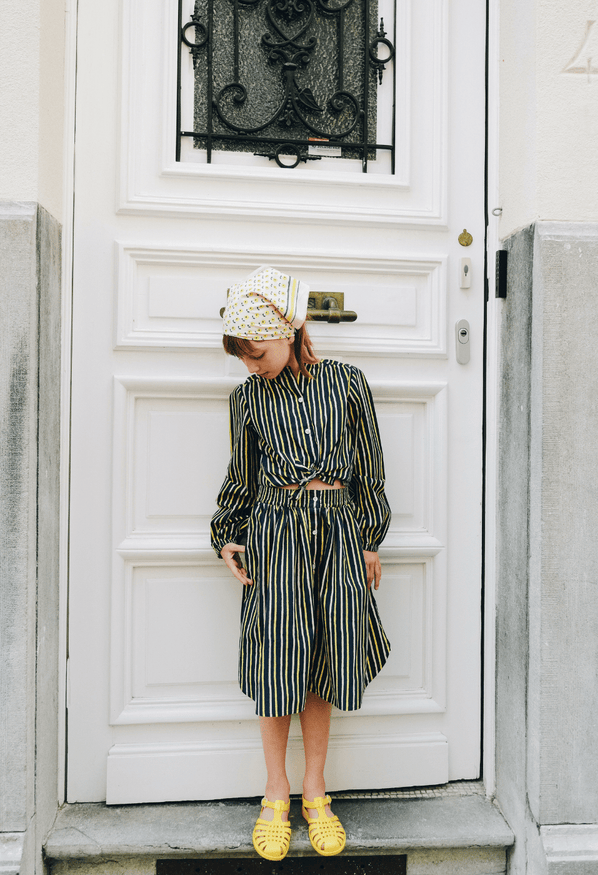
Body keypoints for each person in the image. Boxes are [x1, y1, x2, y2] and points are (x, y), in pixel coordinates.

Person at [211, 265, 391, 861]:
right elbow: (241, 477)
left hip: (337, 530)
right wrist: (228, 536)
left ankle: (316, 791)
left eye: (256, 352)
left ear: (289, 331)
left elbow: (369, 469)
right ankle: (275, 793)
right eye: (241, 355)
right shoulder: (248, 399)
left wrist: (368, 540)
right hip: (275, 536)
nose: (250, 364)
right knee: (276, 660)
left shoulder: (348, 385)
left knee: (322, 660)